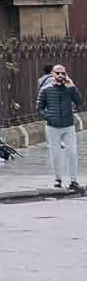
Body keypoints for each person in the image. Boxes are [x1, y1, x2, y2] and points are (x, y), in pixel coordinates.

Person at [37, 62, 83, 196]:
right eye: (58, 73)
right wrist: (48, 117)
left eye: (63, 73)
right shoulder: (45, 90)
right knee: (55, 154)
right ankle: (58, 179)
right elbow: (39, 108)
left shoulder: (69, 89)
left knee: (72, 153)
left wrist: (72, 85)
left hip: (68, 126)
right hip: (53, 127)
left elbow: (79, 101)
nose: (61, 75)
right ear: (52, 74)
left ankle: (73, 181)